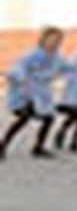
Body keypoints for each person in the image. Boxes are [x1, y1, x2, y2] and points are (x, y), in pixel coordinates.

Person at [2, 27, 68, 161]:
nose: (54, 43)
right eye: (51, 39)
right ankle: (2, 145)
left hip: (42, 95)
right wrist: (18, 77)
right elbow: (19, 67)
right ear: (43, 40)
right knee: (24, 118)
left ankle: (38, 147)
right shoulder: (33, 55)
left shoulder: (58, 58)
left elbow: (67, 68)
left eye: (57, 40)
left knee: (48, 119)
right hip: (26, 93)